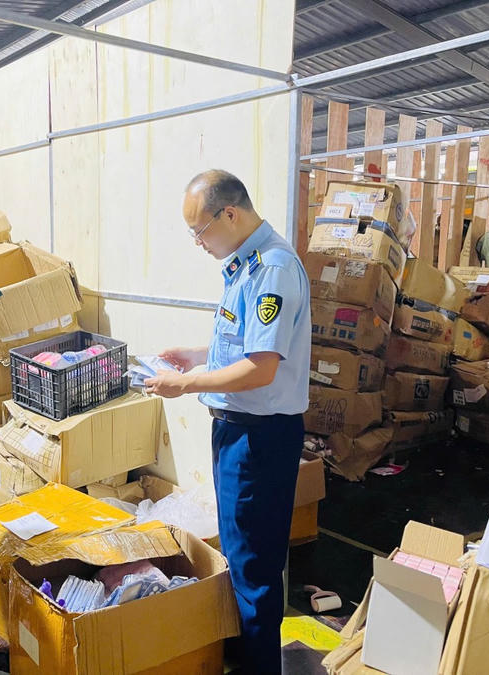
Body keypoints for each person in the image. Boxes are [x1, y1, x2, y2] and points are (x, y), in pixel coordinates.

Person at [144, 170, 311, 674]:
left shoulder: (272, 270)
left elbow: (261, 368)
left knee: (254, 568)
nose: (198, 242)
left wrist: (187, 384)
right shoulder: (245, 266)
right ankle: (245, 659)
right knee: (242, 556)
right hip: (239, 431)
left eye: (200, 231)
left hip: (259, 438)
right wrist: (196, 356)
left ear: (230, 214)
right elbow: (243, 344)